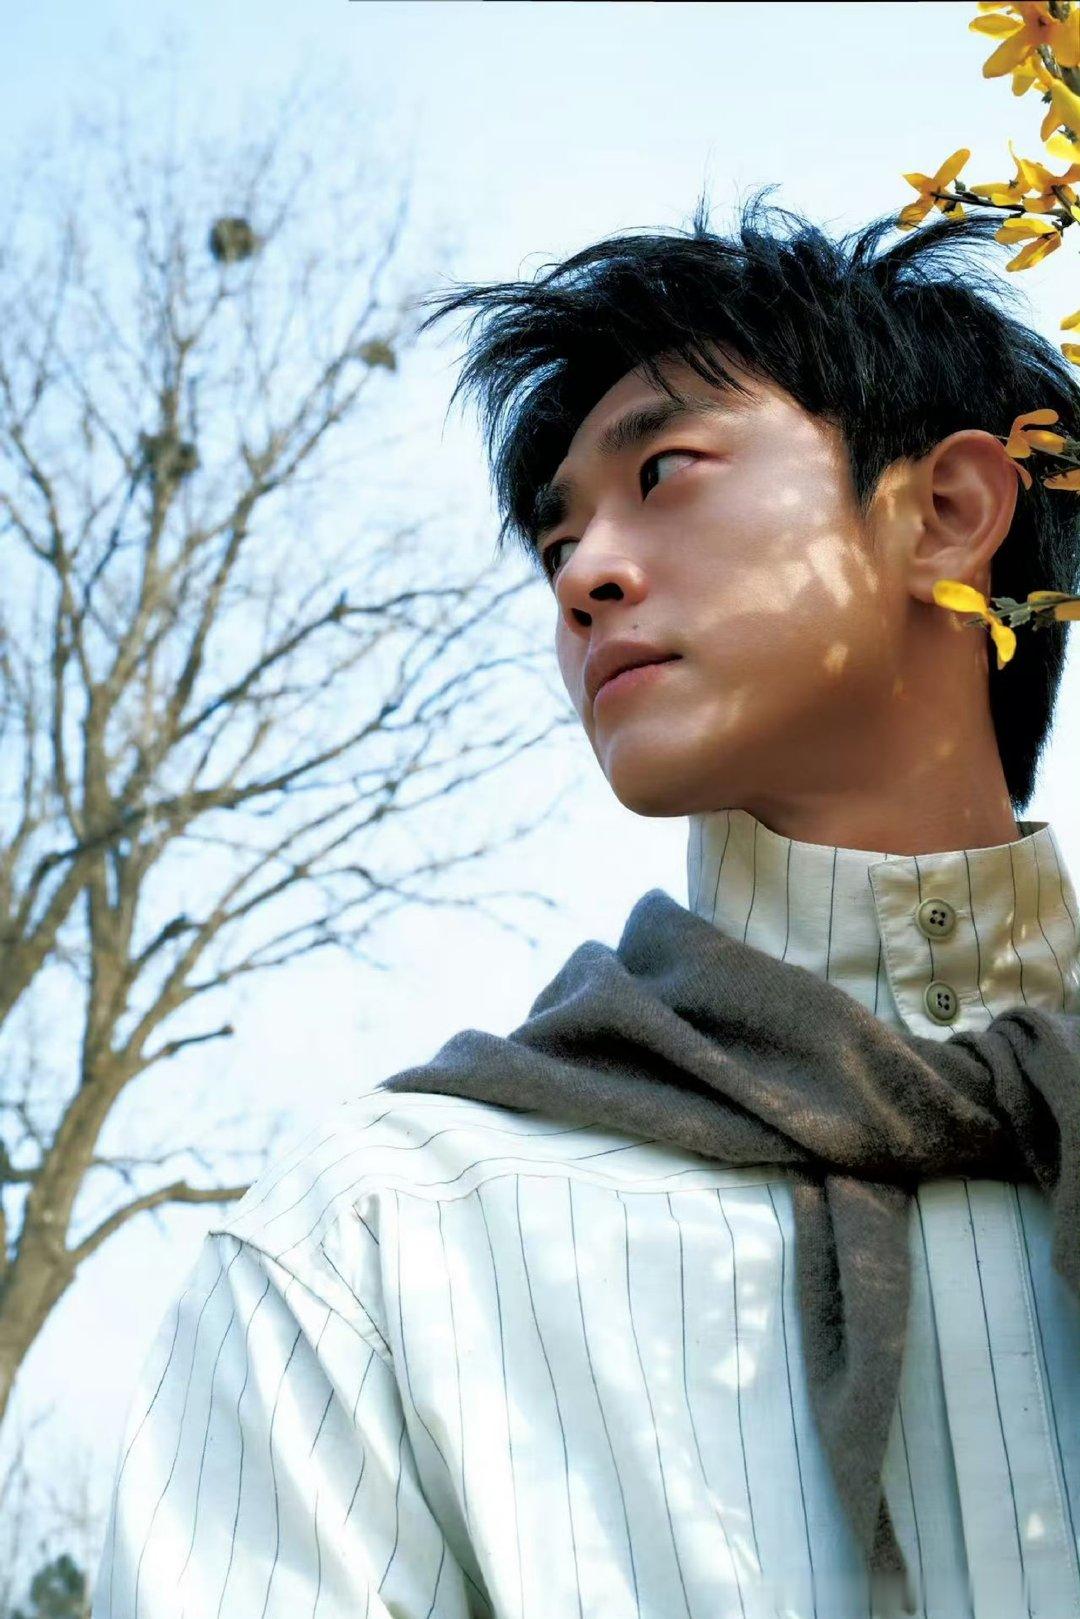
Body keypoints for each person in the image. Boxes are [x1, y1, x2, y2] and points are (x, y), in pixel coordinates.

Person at [93, 188, 1080, 1618]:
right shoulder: (383, 1241)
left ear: (948, 512)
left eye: (666, 472)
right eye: (558, 546)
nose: (583, 579)